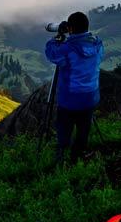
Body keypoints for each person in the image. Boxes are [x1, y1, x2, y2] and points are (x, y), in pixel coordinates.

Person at [44, 11, 103, 163]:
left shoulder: (68, 48)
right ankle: (78, 157)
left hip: (70, 99)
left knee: (64, 129)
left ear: (70, 28)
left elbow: (51, 53)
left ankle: (61, 157)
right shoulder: (98, 44)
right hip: (90, 96)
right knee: (84, 129)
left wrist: (57, 37)